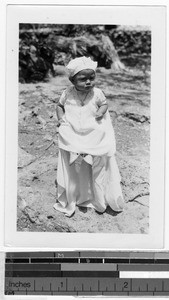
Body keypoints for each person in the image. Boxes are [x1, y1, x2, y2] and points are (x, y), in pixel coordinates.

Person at [53, 56, 124, 217]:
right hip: (73, 129)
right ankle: (76, 187)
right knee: (71, 151)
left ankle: (96, 193)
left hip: (92, 129)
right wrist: (60, 119)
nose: (88, 82)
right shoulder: (67, 93)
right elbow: (59, 106)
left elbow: (104, 104)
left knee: (97, 154)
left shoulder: (97, 93)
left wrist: (100, 111)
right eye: (83, 79)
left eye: (92, 78)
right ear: (72, 80)